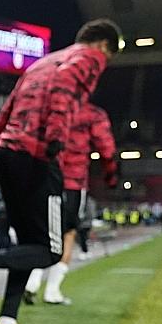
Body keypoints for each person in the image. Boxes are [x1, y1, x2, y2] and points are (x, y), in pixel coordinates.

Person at [0, 19, 122, 324]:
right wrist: (56, 138)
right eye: (109, 55)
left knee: (28, 245)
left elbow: (6, 111)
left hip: (8, 154)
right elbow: (65, 86)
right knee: (50, 250)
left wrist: (1, 139)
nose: (105, 62)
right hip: (38, 158)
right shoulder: (88, 57)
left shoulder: (42, 63)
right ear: (103, 45)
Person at [24, 100, 116, 305]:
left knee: (44, 232)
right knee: (68, 234)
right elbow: (106, 148)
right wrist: (110, 174)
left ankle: (32, 281)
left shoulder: (51, 108)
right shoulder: (91, 113)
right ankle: (52, 290)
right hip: (73, 182)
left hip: (46, 178)